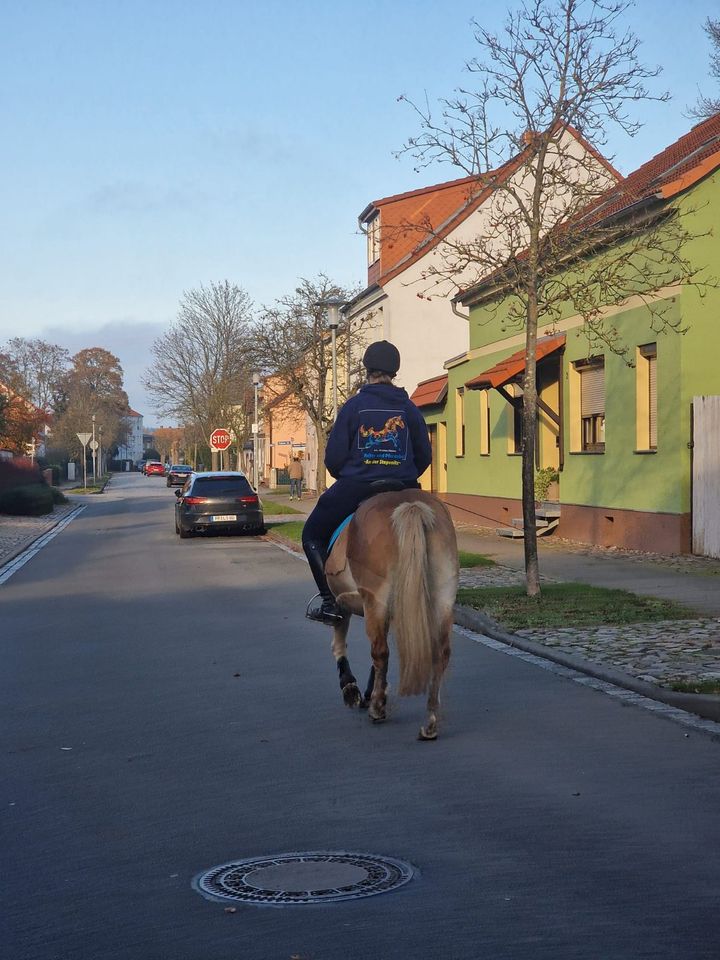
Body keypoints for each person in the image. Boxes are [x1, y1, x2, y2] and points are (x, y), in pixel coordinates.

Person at [302, 340, 432, 624]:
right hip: (404, 487)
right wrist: (404, 475)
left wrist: (351, 474)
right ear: (394, 371)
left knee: (311, 534)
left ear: (367, 369)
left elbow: (334, 458)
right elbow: (425, 456)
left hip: (358, 486)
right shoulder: (410, 410)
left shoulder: (353, 407)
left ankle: (329, 602)